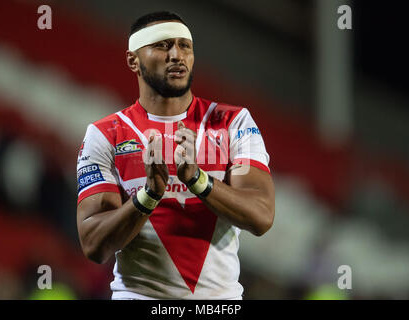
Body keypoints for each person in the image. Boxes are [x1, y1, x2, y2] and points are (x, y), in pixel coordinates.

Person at [76, 11, 275, 300]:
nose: (176, 55)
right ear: (133, 60)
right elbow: (95, 245)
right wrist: (148, 196)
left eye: (185, 46)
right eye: (162, 45)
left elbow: (261, 216)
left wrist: (197, 180)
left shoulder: (233, 123)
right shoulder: (105, 134)